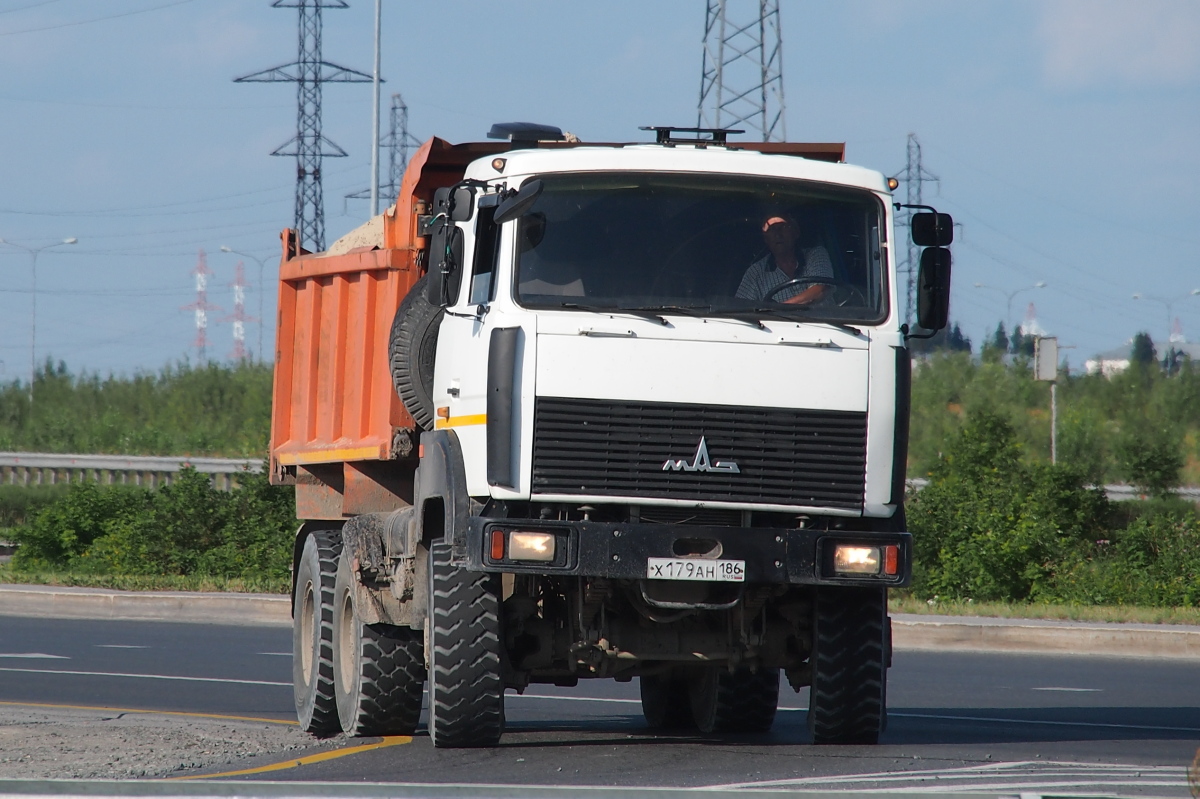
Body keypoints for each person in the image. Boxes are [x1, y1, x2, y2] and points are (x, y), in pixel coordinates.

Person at [735, 213, 834, 304]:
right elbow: (740, 307)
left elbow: (819, 291)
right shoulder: (756, 272)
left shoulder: (816, 254)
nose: (778, 234)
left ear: (796, 232)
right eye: (771, 230)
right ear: (765, 239)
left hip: (824, 322)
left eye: (783, 227)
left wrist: (778, 310)